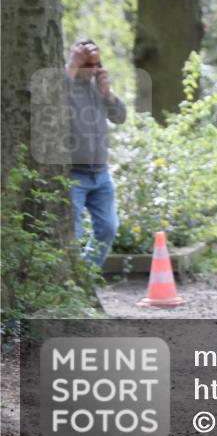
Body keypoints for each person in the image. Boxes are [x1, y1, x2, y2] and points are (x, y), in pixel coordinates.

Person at [66, 39, 127, 268]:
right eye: (88, 65)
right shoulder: (65, 84)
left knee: (109, 228)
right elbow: (51, 98)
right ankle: (73, 278)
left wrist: (108, 94)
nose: (93, 70)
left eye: (97, 65)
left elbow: (120, 117)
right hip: (73, 175)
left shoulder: (98, 88)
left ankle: (87, 275)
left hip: (101, 174)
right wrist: (72, 66)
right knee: (74, 233)